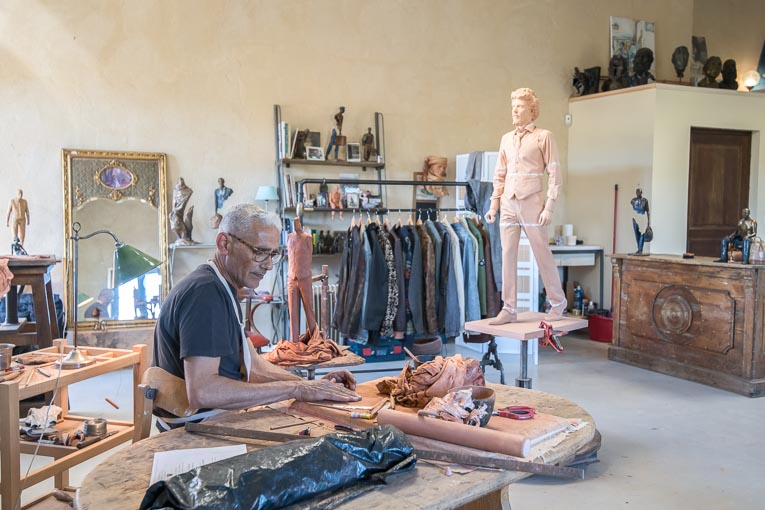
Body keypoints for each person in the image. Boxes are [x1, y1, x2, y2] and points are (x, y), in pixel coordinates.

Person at [153, 205, 358, 429]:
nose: (268, 265)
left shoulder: (222, 287)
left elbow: (255, 367)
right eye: (259, 252)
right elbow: (203, 391)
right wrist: (296, 389)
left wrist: (311, 385)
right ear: (224, 244)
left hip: (214, 420)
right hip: (194, 431)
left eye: (272, 255)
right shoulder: (205, 293)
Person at [485, 88, 566, 324]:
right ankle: (509, 307)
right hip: (508, 203)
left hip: (532, 202)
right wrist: (494, 205)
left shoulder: (544, 136)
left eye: (519, 107)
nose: (514, 111)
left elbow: (555, 174)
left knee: (541, 252)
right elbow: (499, 174)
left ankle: (558, 302)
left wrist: (549, 207)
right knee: (507, 254)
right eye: (513, 107)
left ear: (532, 110)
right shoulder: (506, 139)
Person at [287, 217, 317, 342]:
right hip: (291, 278)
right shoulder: (289, 237)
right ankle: (294, 341)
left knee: (309, 309)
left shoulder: (307, 238)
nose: (295, 224)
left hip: (304, 277)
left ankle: (315, 338)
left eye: (297, 222)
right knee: (292, 312)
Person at [169, 177, 195, 244]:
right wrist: (173, 209)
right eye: (180, 181)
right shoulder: (175, 190)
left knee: (181, 218)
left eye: (182, 181)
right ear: (177, 182)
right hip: (176, 209)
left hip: (180, 209)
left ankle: (185, 237)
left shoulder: (187, 190)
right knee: (176, 220)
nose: (181, 182)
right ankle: (181, 238)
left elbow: (190, 191)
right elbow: (174, 201)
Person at [630, 188, 652, 255]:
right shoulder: (633, 200)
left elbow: (648, 211)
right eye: (637, 192)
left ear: (641, 192)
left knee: (642, 234)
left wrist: (648, 221)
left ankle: (640, 249)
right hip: (635, 219)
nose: (638, 193)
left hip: (642, 218)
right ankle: (639, 249)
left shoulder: (645, 200)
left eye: (639, 192)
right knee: (637, 234)